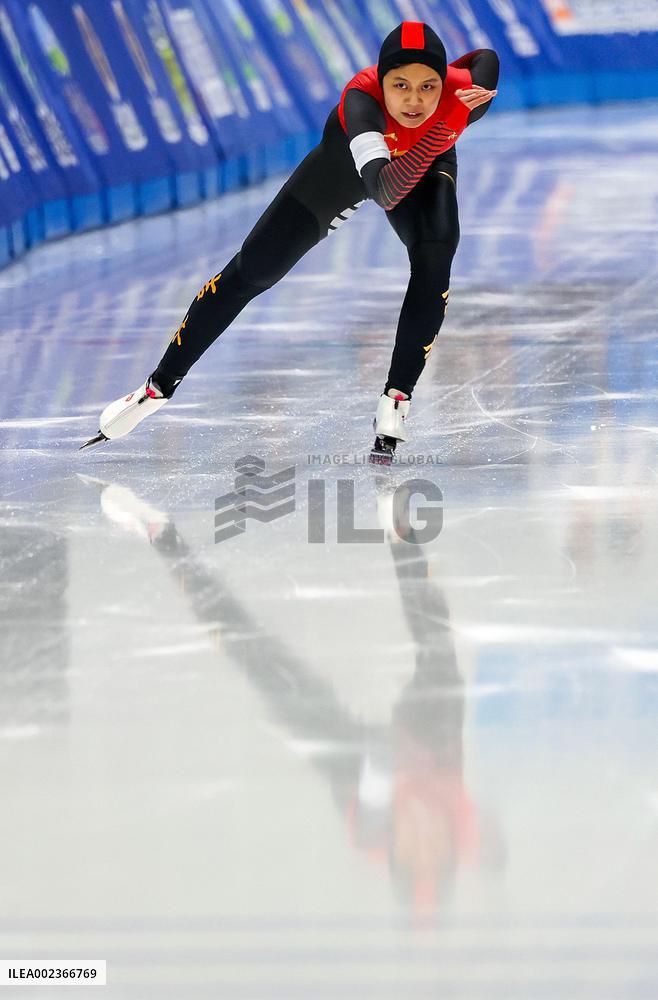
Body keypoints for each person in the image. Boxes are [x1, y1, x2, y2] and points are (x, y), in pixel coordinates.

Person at [81, 22, 499, 463]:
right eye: (400, 85)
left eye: (427, 86)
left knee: (437, 250)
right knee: (254, 270)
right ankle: (158, 386)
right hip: (349, 173)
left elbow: (486, 58)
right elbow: (385, 191)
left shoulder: (463, 94)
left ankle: (396, 399)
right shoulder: (362, 101)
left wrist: (454, 105)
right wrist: (448, 120)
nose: (414, 100)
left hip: (427, 163)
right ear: (380, 82)